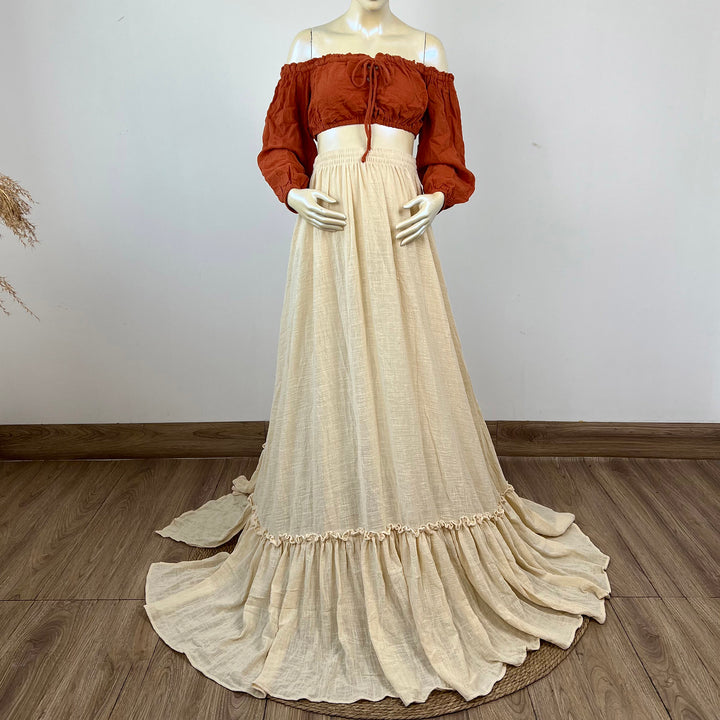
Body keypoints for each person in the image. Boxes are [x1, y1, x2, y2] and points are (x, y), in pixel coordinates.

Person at [144, 1, 611, 707]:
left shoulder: (426, 48)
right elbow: (280, 144)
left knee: (408, 366)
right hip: (329, 221)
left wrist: (436, 197)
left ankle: (413, 508)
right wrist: (296, 192)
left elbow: (445, 153)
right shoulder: (307, 44)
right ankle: (337, 501)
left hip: (399, 223)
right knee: (329, 363)